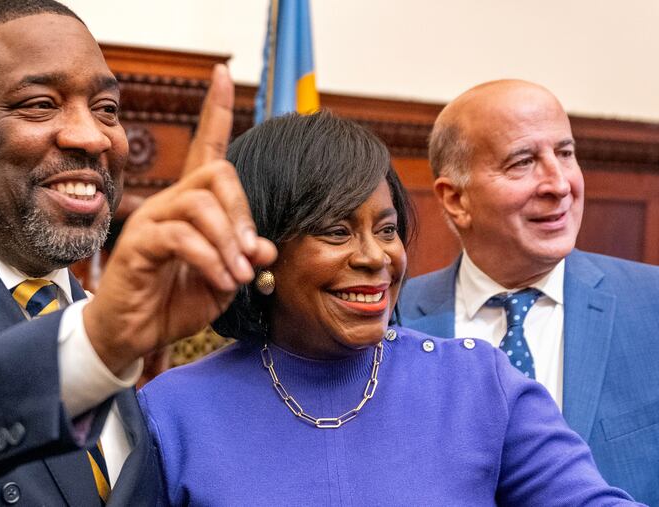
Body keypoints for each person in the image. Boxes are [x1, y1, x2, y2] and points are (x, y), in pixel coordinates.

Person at [137, 111, 639, 505]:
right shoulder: (174, 412)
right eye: (336, 232)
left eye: (387, 229)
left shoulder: (478, 385)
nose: (376, 257)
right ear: (260, 249)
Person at [0, 0, 275, 504]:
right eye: (40, 104)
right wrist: (94, 346)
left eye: (107, 110)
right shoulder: (99, 335)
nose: (92, 136)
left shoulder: (107, 320)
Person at [399, 79, 659, 504]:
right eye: (522, 162)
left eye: (565, 153)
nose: (559, 184)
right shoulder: (396, 319)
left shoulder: (652, 306)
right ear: (455, 200)